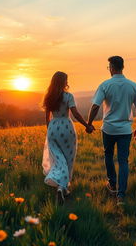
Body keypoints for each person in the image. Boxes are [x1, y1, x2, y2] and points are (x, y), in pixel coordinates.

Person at [87, 56, 136, 206]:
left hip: (108, 129)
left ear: (112, 67)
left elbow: (95, 106)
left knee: (108, 155)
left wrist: (89, 124)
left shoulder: (105, 85)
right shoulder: (133, 86)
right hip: (125, 130)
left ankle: (112, 184)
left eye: (109, 67)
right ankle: (121, 196)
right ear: (122, 67)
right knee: (123, 160)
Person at [42, 71, 94, 205]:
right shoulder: (68, 96)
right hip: (66, 128)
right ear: (64, 82)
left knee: (57, 160)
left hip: (53, 128)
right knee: (68, 160)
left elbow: (47, 117)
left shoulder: (48, 97)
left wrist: (49, 130)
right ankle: (62, 188)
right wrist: (87, 125)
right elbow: (75, 114)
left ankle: (61, 187)